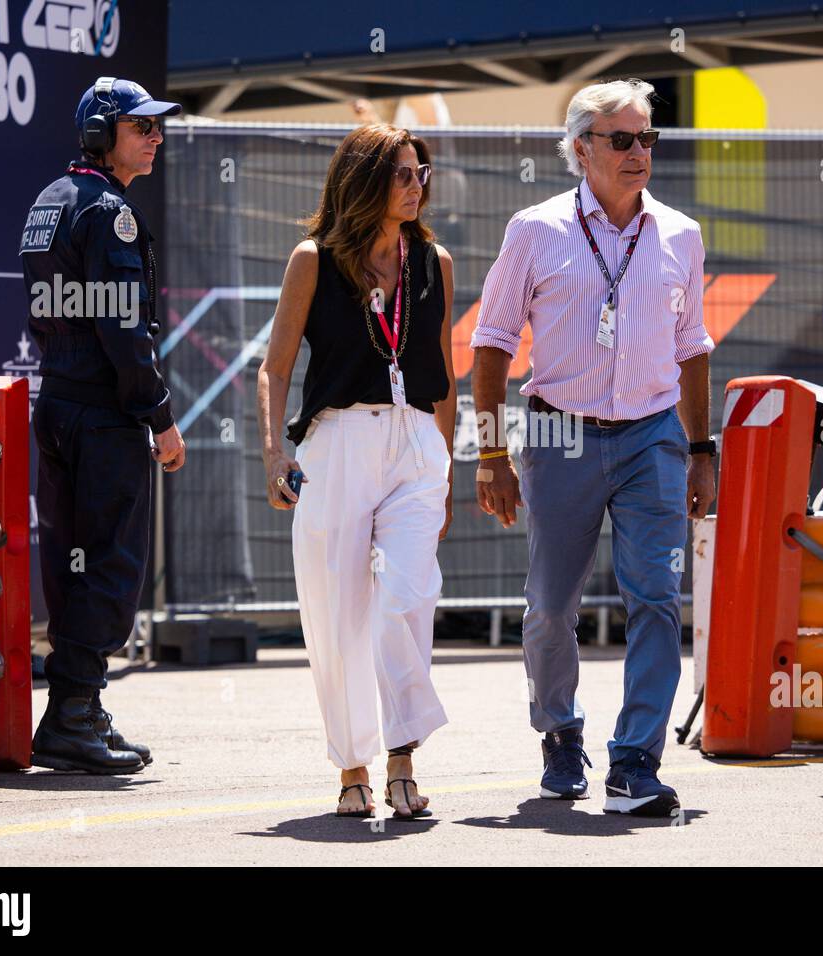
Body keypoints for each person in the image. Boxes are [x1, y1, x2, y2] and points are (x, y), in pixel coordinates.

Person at [471, 79, 716, 817]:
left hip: (652, 437)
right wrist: (490, 456)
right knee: (550, 605)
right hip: (556, 432)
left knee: (656, 600)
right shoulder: (534, 229)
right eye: (623, 139)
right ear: (582, 149)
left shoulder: (680, 233)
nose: (640, 152)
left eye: (648, 138)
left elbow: (694, 349)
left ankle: (637, 760)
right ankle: (560, 733)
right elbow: (490, 345)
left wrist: (701, 448)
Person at [257, 124, 456, 819]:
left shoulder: (434, 260)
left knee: (407, 595)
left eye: (419, 174)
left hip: (416, 441)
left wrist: (449, 465)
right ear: (364, 179)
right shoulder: (314, 259)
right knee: (336, 613)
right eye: (402, 173)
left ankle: (403, 756)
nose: (415, 185)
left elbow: (446, 374)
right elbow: (275, 367)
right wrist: (275, 452)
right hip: (336, 440)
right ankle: (354, 769)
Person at [20, 77, 185, 774]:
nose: (154, 137)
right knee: (110, 563)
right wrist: (161, 419)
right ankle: (71, 715)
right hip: (102, 413)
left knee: (72, 561)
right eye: (140, 127)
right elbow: (125, 330)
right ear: (100, 135)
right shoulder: (109, 211)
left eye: (157, 127)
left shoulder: (48, 202)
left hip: (57, 402)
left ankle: (77, 708)